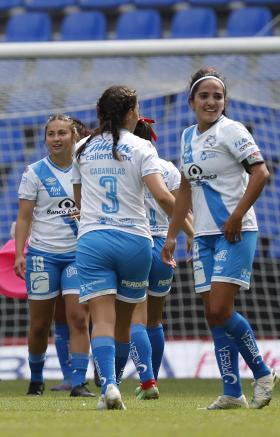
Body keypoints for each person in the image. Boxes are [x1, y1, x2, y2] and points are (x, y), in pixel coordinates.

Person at [162, 67, 278, 410]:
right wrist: (172, 234)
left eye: (218, 96)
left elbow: (261, 173)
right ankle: (231, 392)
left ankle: (263, 373)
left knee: (220, 308)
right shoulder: (186, 137)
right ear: (191, 101)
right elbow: (185, 188)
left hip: (235, 231)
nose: (211, 102)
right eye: (204, 96)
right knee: (211, 315)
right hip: (203, 237)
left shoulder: (233, 131)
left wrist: (237, 215)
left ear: (225, 101)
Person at [73, 85, 175, 411]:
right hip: (135, 241)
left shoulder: (82, 147)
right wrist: (187, 227)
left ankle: (109, 386)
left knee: (101, 320)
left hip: (94, 240)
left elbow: (79, 202)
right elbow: (162, 197)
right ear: (132, 113)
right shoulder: (143, 147)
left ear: (100, 113)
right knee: (127, 323)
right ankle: (124, 383)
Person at [115, 117, 194, 400]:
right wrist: (192, 233)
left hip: (135, 243)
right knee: (155, 320)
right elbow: (178, 207)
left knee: (133, 318)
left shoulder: (121, 165)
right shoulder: (168, 169)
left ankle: (146, 381)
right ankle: (152, 379)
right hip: (163, 246)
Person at [14, 114, 92, 398]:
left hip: (77, 254)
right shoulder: (34, 172)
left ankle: (79, 381)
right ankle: (36, 380)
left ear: (74, 136)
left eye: (62, 133)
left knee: (79, 319)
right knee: (39, 325)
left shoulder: (86, 169)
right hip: (42, 256)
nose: (56, 138)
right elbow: (24, 217)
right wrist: (19, 253)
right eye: (51, 134)